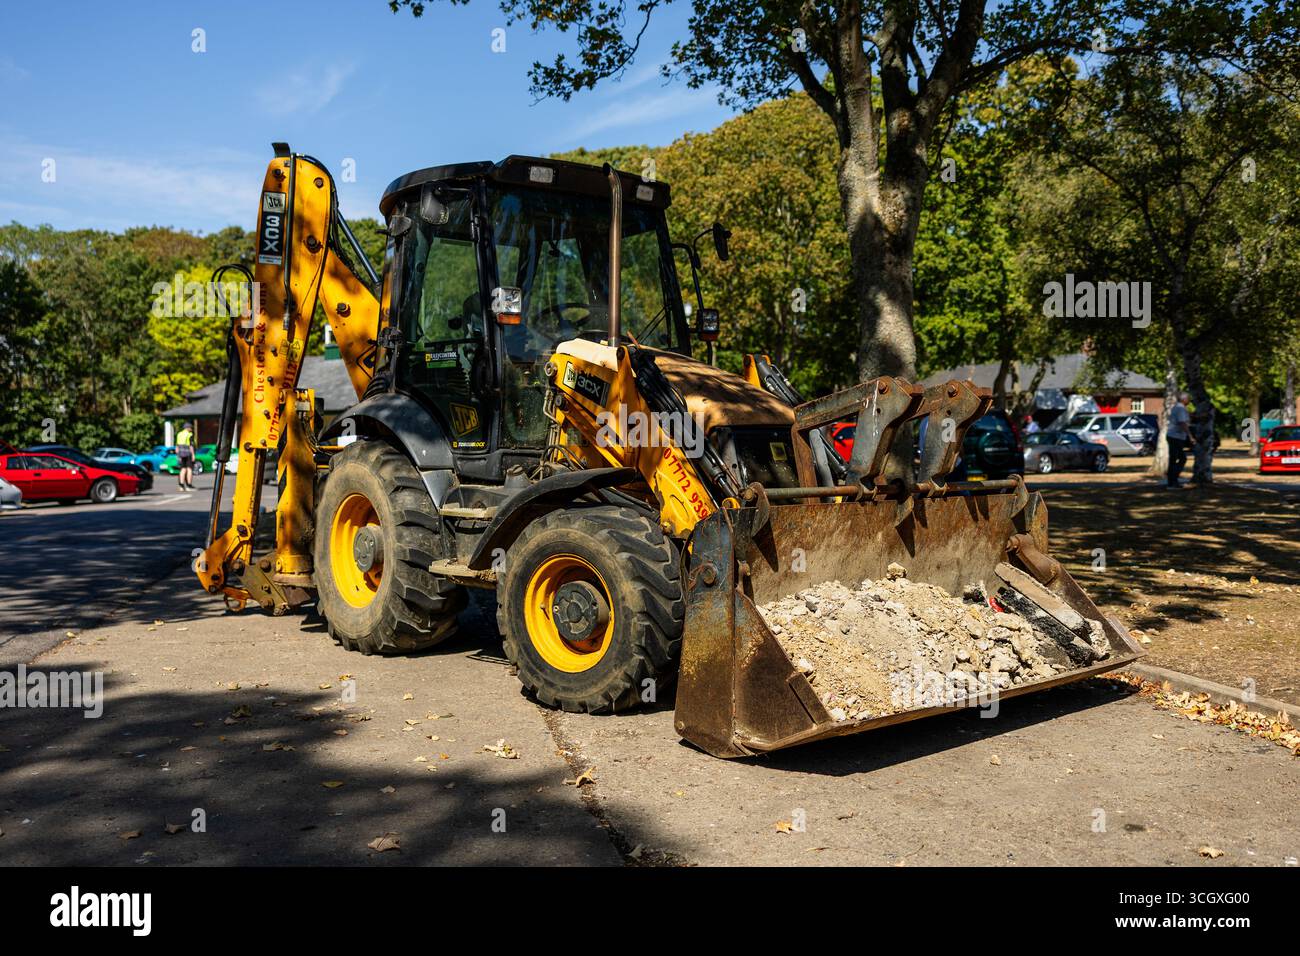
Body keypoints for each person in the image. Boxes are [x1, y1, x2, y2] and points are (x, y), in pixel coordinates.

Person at [1164, 392, 1194, 489]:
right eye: (1188, 398)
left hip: (1174, 436)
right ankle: (1172, 481)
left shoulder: (1178, 407)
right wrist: (1190, 436)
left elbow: (1186, 418)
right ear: (1183, 399)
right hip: (1175, 436)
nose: (1189, 400)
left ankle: (1173, 480)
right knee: (1178, 459)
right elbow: (1182, 423)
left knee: (1176, 459)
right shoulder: (1180, 408)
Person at [175, 424, 195, 492]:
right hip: (188, 453)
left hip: (181, 454)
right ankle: (189, 485)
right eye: (191, 428)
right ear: (188, 428)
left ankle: (181, 485)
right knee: (189, 469)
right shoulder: (190, 434)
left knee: (183, 469)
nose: (191, 429)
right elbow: (191, 446)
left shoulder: (179, 434)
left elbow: (177, 446)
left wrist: (177, 455)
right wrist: (193, 455)